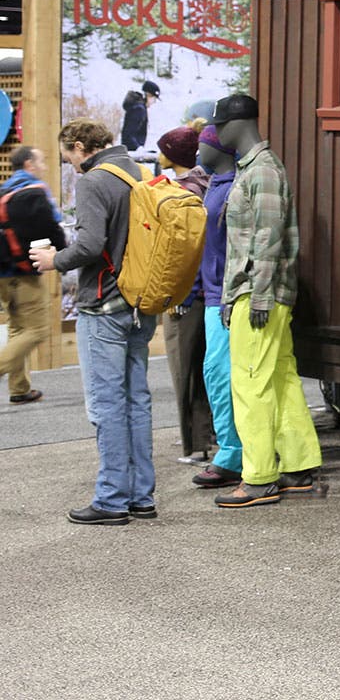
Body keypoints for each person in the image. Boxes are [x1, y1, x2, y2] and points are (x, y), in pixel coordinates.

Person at [30, 120, 157, 526]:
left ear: (81, 146)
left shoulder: (93, 181)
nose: (71, 167)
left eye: (69, 159)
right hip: (141, 303)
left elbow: (89, 245)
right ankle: (141, 496)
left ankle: (111, 499)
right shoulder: (140, 172)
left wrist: (55, 261)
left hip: (103, 306)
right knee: (136, 401)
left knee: (107, 405)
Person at [211, 93, 321, 508]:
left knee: (250, 384)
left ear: (235, 125)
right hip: (264, 293)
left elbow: (266, 238)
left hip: (260, 295)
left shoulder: (263, 171)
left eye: (220, 125)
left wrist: (255, 294)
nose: (216, 132)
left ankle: (258, 478)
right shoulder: (258, 169)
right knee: (279, 379)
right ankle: (297, 466)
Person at [156, 125, 213, 462]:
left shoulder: (181, 193)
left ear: (173, 154)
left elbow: (182, 251)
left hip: (186, 294)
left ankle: (196, 445)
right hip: (209, 291)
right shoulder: (207, 183)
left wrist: (180, 294)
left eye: (163, 148)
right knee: (204, 369)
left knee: (184, 370)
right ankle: (208, 436)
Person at [191, 126, 243, 489]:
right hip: (214, 295)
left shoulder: (232, 187)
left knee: (222, 376)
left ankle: (231, 455)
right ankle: (232, 450)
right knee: (218, 375)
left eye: (201, 145)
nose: (197, 151)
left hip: (225, 297)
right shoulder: (215, 185)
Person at [0, 146, 66, 404]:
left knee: (18, 327)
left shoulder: (3, 190)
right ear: (29, 163)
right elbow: (50, 227)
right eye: (41, 161)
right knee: (38, 330)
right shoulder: (36, 192)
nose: (44, 166)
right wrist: (62, 253)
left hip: (3, 274)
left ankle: (19, 388)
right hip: (24, 273)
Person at [120, 79, 160, 153]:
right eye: (154, 98)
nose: (154, 102)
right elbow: (129, 134)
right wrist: (138, 149)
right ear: (148, 95)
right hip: (132, 151)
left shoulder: (137, 107)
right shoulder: (139, 109)